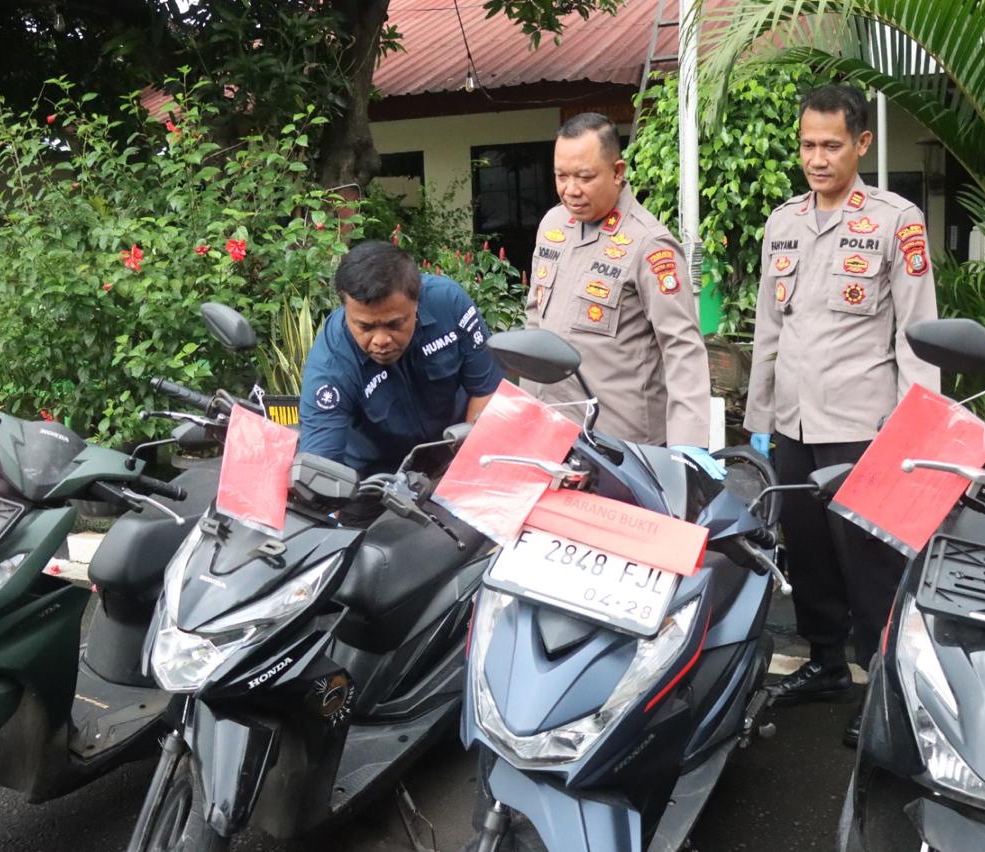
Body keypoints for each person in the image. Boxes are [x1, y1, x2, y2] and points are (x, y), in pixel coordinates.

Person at [743, 84, 940, 746]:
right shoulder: (783, 223)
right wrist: (759, 419)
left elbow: (918, 333)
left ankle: (886, 685)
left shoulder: (895, 221)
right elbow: (769, 328)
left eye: (831, 145)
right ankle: (826, 663)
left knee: (871, 566)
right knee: (809, 554)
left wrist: (915, 433)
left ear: (862, 143)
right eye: (807, 145)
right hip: (795, 426)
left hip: (864, 427)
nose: (817, 159)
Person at [525, 112, 710, 448]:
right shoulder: (553, 225)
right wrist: (527, 411)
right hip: (555, 431)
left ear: (617, 172)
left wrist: (688, 444)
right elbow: (536, 320)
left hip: (623, 444)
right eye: (561, 176)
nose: (570, 190)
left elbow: (682, 348)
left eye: (584, 177)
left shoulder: (649, 243)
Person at [300, 239, 504, 486]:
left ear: (417, 302)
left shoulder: (449, 304)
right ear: (345, 309)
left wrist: (464, 474)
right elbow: (320, 469)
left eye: (394, 324)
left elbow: (486, 391)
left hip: (453, 462)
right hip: (374, 482)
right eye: (365, 327)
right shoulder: (331, 364)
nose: (381, 340)